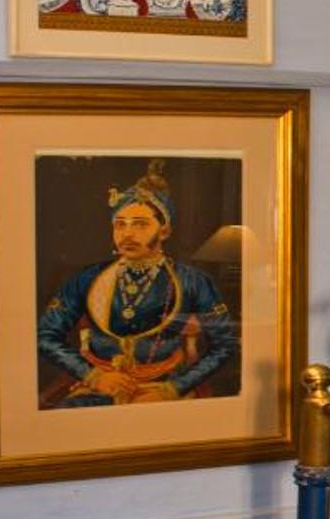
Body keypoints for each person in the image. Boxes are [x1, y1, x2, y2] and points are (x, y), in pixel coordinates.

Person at [37, 168, 237, 407]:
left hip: (164, 387)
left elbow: (226, 344)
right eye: (120, 225)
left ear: (164, 230)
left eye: (140, 225)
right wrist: (94, 376)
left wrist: (174, 388)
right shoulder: (86, 279)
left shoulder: (193, 281)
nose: (127, 234)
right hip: (98, 388)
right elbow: (45, 336)